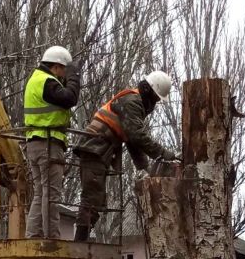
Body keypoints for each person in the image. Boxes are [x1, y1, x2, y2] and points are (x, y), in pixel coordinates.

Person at [71, 71, 177, 242]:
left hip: (98, 149)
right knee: (92, 197)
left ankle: (81, 240)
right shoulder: (132, 103)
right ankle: (80, 242)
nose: (156, 102)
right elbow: (137, 136)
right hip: (94, 148)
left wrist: (145, 168)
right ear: (149, 91)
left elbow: (131, 140)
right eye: (157, 98)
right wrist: (163, 153)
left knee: (96, 198)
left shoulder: (134, 102)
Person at [24, 46, 81, 239]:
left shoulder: (34, 80)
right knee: (51, 195)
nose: (64, 76)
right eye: (64, 71)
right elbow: (70, 98)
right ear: (57, 67)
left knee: (41, 193)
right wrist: (74, 77)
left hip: (34, 143)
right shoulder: (47, 82)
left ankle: (33, 235)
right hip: (48, 144)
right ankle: (51, 237)